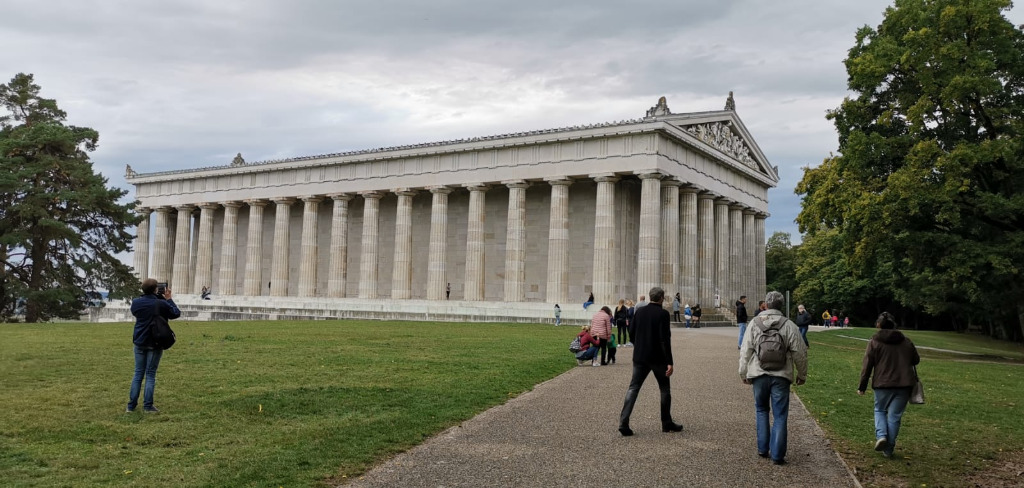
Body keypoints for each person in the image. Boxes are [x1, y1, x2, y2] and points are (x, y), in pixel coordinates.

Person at [739, 291, 808, 465]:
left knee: (761, 410)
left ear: (766, 305)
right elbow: (800, 353)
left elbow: (745, 350)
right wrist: (802, 374)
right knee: (780, 415)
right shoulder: (789, 325)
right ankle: (777, 455)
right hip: (781, 375)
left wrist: (743, 372)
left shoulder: (754, 323)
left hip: (759, 373)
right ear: (780, 305)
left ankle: (763, 448)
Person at [618, 287, 682, 436]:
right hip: (658, 358)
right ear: (661, 298)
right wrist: (670, 361)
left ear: (650, 297)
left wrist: (639, 345)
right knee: (664, 390)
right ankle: (666, 423)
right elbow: (665, 339)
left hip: (640, 356)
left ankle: (623, 422)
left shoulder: (640, 311)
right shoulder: (663, 314)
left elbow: (631, 332)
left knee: (633, 388)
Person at [857, 312, 920, 458]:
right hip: (904, 384)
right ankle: (889, 448)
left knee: (880, 410)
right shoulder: (906, 341)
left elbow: (867, 365)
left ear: (878, 325)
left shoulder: (874, 341)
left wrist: (862, 386)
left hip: (883, 383)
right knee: (895, 416)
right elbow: (916, 360)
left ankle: (881, 436)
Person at [127, 278, 182, 413]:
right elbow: (176, 313)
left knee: (138, 373)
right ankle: (147, 406)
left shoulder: (136, 302)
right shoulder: (161, 303)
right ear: (156, 289)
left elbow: (137, 312)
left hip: (139, 340)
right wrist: (168, 299)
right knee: (150, 374)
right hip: (155, 341)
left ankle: (131, 406)